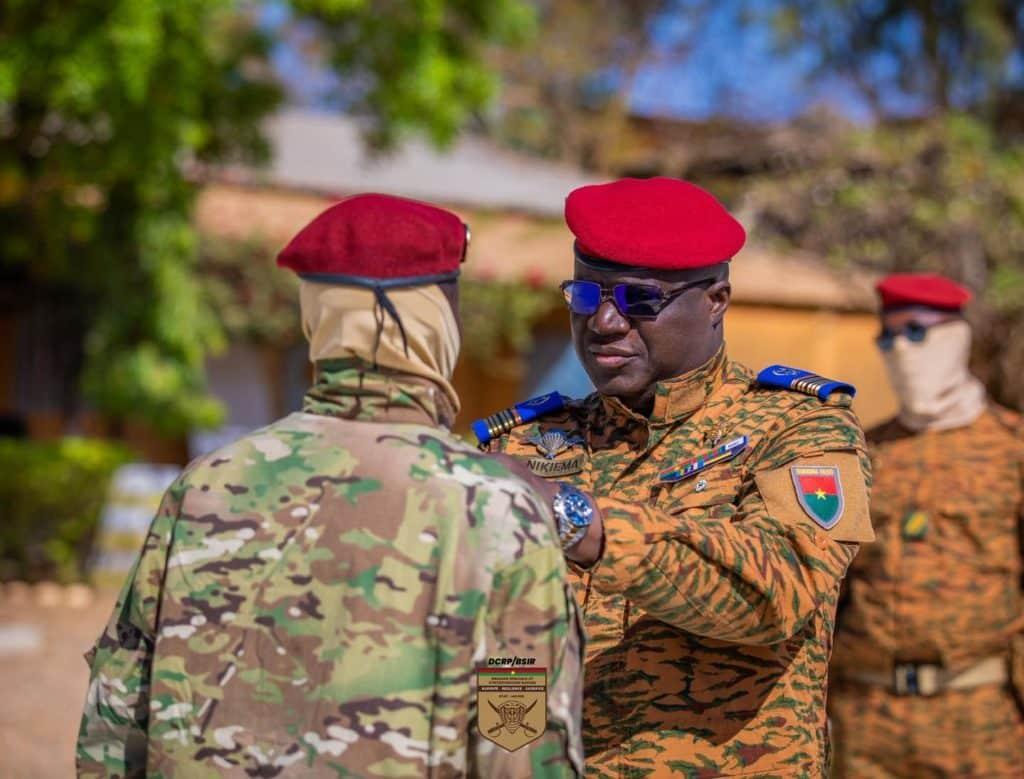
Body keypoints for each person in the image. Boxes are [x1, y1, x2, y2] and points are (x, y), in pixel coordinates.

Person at [76, 193, 585, 778]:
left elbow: (115, 719)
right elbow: (517, 741)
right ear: (439, 322)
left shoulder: (204, 488)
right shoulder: (494, 508)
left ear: (314, 319)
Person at [475, 176, 874, 778]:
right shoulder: (524, 443)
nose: (605, 321)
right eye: (585, 294)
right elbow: (506, 643)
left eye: (638, 299)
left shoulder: (797, 429)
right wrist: (506, 755)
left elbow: (778, 592)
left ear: (715, 300)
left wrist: (581, 522)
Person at [829, 272, 1024, 778]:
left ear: (954, 338)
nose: (900, 349)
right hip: (864, 716)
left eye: (915, 332)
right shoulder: (863, 452)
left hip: (982, 716)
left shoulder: (1012, 448)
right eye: (887, 336)